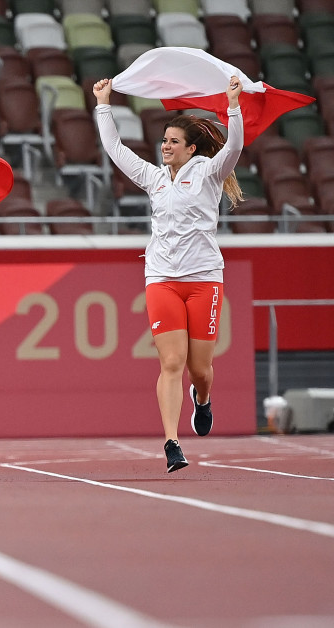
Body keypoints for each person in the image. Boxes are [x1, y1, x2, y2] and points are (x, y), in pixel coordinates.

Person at [93, 77, 243, 473]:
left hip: (204, 278)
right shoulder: (154, 178)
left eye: (173, 141)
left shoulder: (210, 172)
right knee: (171, 363)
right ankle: (172, 443)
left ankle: (204, 398)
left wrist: (233, 106)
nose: (165, 146)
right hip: (161, 277)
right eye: (163, 141)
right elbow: (114, 148)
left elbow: (235, 147)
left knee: (199, 370)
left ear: (191, 148)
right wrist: (104, 103)